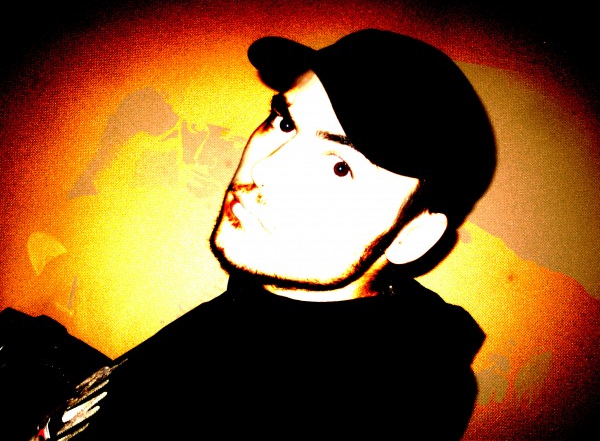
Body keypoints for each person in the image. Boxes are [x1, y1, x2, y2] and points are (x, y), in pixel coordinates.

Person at [22, 28, 495, 440]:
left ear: (412, 236)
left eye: (340, 167)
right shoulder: (267, 291)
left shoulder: (382, 400)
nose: (265, 169)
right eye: (285, 123)